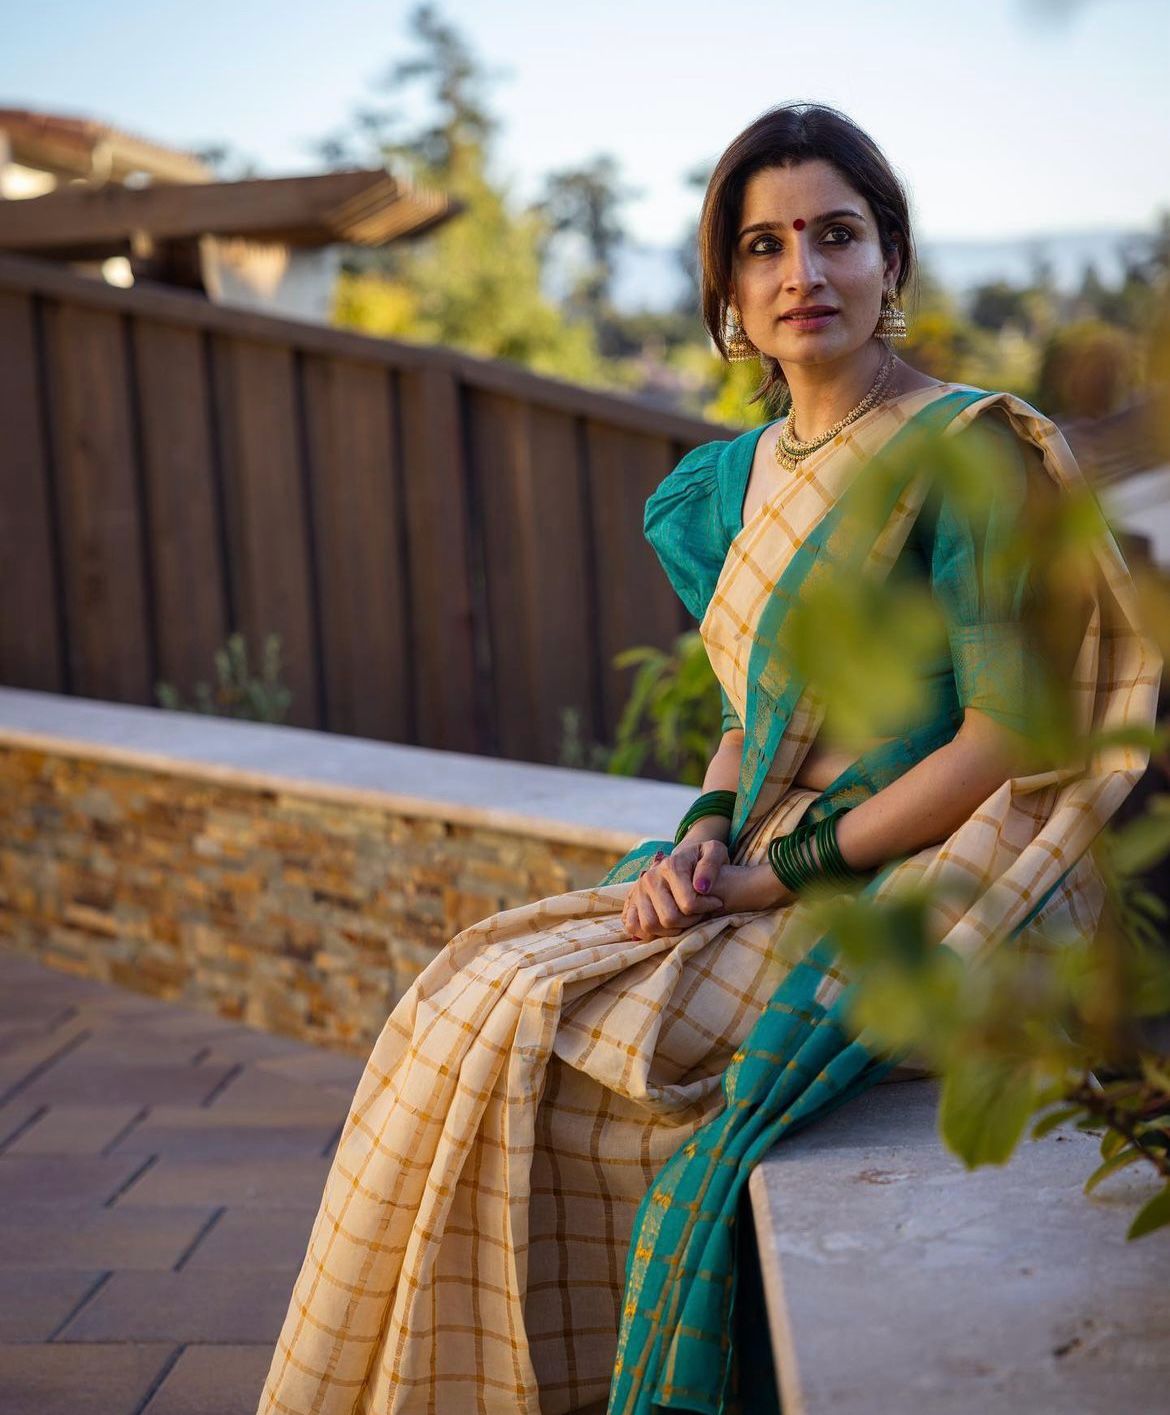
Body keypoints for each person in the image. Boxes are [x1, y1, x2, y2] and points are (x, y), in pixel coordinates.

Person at [257, 103, 1161, 1415]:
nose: (805, 273)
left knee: (548, 1035)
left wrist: (776, 871)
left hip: (954, 869)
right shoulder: (725, 487)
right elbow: (754, 716)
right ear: (727, 286)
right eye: (766, 244)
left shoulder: (967, 457)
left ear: (889, 263)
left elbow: (1007, 739)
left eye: (837, 236)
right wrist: (699, 837)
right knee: (464, 997)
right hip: (777, 849)